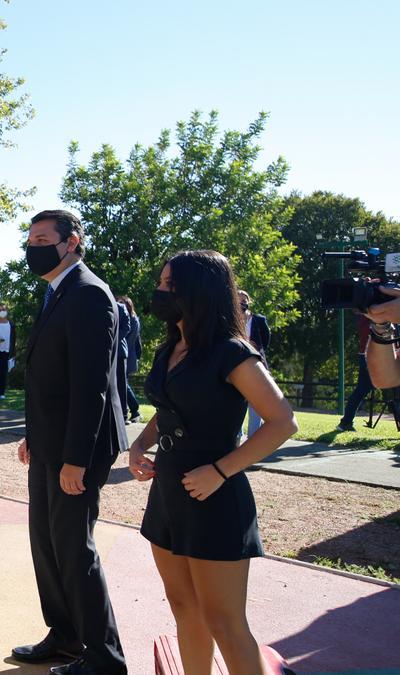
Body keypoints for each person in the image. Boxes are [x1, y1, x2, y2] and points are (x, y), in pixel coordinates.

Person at [128, 250, 297, 675]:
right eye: (162, 282)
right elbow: (166, 408)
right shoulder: (172, 347)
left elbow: (282, 422)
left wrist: (222, 470)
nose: (160, 291)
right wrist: (138, 447)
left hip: (215, 496)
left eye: (170, 284)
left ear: (199, 291)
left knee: (225, 621)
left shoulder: (232, 352)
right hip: (168, 492)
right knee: (184, 608)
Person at [14, 209, 127, 675]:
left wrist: (75, 460)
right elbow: (50, 379)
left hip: (78, 450)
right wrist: (34, 437)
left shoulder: (88, 295)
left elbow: (91, 386)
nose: (32, 247)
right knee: (46, 541)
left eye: (42, 238)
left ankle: (104, 658)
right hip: (50, 444)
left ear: (71, 242)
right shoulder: (56, 292)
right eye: (30, 238)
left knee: (74, 549)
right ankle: (65, 635)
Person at [238, 291, 271, 436]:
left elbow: (265, 340)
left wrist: (255, 345)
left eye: (244, 300)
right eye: (238, 300)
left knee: (255, 404)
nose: (241, 303)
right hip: (235, 365)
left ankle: (254, 437)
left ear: (249, 302)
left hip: (255, 364)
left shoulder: (258, 320)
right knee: (236, 404)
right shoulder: (229, 320)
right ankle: (236, 437)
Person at [117, 297, 143, 423]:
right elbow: (138, 342)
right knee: (123, 384)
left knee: (123, 385)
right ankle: (131, 410)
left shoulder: (129, 321)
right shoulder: (135, 320)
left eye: (122, 304)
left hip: (125, 355)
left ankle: (134, 410)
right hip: (130, 355)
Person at [116, 298, 132, 423]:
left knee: (121, 384)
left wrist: (112, 340)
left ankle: (123, 414)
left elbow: (126, 328)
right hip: (105, 352)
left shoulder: (121, 308)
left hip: (119, 352)